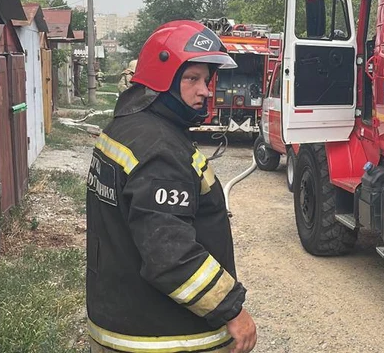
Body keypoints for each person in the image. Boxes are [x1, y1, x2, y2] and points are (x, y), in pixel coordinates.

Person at [86, 21, 257, 353]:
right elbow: (171, 255)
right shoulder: (160, 149)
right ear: (162, 77)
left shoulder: (126, 128)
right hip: (164, 336)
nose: (205, 90)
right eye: (192, 79)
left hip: (121, 321)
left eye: (206, 80)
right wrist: (232, 310)